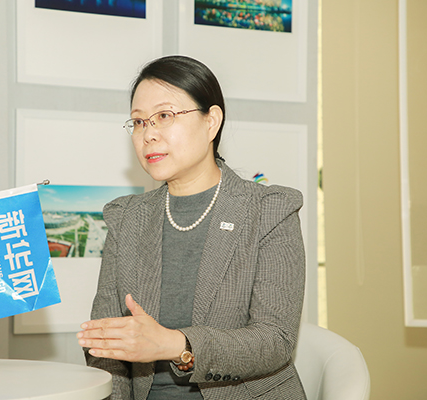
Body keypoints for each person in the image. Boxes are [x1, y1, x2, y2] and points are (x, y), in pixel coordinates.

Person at [77, 55, 307, 399]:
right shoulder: (126, 218)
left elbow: (275, 340)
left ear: (211, 122)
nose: (148, 135)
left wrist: (175, 345)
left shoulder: (269, 210)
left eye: (164, 116)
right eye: (138, 122)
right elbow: (106, 345)